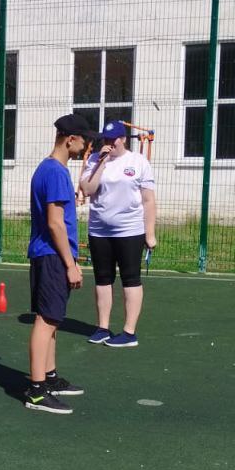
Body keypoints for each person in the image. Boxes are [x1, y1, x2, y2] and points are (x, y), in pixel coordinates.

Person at [25, 113, 95, 415]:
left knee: (51, 317)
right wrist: (70, 263)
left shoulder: (51, 169)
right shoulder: (54, 172)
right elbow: (55, 223)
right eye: (84, 140)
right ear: (70, 139)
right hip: (52, 255)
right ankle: (36, 391)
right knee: (46, 321)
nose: (87, 146)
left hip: (49, 254)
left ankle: (49, 377)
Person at [77, 120, 157, 347]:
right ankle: (102, 328)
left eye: (113, 140)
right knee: (103, 279)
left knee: (130, 279)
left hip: (130, 230)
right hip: (99, 230)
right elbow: (87, 189)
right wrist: (101, 162)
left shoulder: (138, 162)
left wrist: (150, 234)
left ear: (123, 139)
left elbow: (148, 200)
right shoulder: (95, 160)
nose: (109, 143)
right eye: (106, 139)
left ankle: (129, 332)